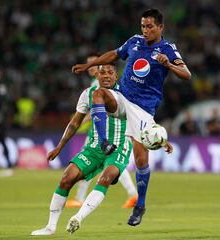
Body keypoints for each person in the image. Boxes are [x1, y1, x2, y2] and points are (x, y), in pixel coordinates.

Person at [71, 9, 191, 226]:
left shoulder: (168, 49)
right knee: (98, 94)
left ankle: (140, 204)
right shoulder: (135, 41)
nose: (145, 30)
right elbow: (114, 54)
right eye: (143, 26)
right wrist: (90, 65)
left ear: (160, 27)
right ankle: (103, 142)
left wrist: (168, 65)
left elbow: (186, 74)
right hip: (122, 95)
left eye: (149, 26)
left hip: (143, 109)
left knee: (141, 160)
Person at [31, 63, 133, 236]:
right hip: (94, 147)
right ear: (97, 76)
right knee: (66, 178)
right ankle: (50, 227)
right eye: (102, 73)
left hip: (119, 146)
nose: (106, 76)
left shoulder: (128, 95)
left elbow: (142, 119)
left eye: (110, 73)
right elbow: (75, 122)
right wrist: (59, 147)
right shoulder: (88, 94)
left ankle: (78, 218)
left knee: (105, 178)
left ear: (117, 77)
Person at [66, 54, 138, 209]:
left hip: (106, 132)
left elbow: (98, 111)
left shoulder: (101, 86)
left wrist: (80, 122)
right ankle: (132, 194)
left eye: (94, 64)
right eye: (89, 64)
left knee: (96, 162)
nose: (91, 67)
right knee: (111, 163)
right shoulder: (96, 83)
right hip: (100, 130)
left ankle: (80, 198)